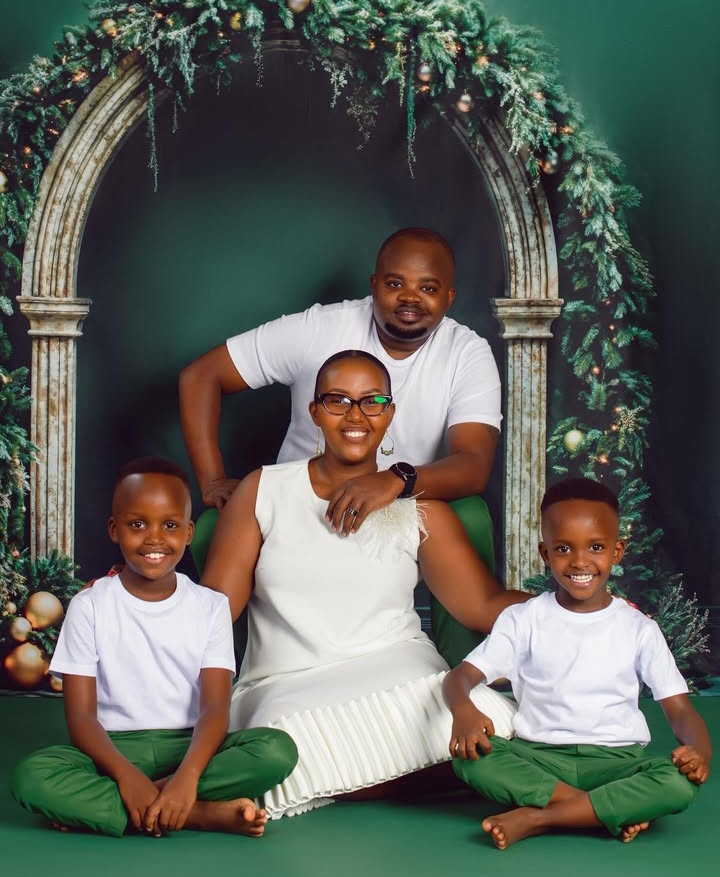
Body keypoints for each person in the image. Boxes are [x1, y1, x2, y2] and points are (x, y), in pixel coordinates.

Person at [201, 350, 529, 819]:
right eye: (338, 400)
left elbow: (482, 603)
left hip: (399, 672)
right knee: (280, 744)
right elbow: (214, 609)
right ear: (314, 412)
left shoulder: (418, 507)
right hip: (288, 684)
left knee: (485, 715)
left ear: (389, 413)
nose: (355, 415)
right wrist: (135, 599)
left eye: (372, 401)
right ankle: (419, 776)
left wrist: (581, 606)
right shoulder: (264, 489)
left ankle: (345, 779)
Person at [180, 227, 503, 663]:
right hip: (300, 505)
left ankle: (467, 665)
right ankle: (231, 665)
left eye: (427, 288)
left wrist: (394, 481)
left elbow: (474, 463)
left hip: (403, 504)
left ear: (449, 296)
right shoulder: (320, 328)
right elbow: (201, 376)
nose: (410, 298)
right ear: (374, 285)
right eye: (395, 284)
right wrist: (212, 479)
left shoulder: (466, 352)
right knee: (215, 529)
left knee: (469, 518)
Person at [10, 457, 298, 838]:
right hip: (112, 752)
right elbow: (81, 719)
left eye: (170, 525)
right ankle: (196, 814)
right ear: (114, 529)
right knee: (31, 777)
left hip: (189, 747)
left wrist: (187, 776)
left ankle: (143, 804)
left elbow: (215, 709)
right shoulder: (89, 606)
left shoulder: (211, 607)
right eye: (137, 524)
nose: (154, 538)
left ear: (189, 532)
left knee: (276, 750)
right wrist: (127, 777)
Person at [442, 477, 712, 850]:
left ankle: (539, 818)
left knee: (677, 782)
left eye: (596, 547)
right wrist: (463, 710)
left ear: (617, 551)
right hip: (539, 758)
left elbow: (679, 709)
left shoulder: (639, 629)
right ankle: (602, 812)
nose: (580, 561)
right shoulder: (523, 619)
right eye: (564, 548)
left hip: (617, 764)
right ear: (545, 553)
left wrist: (701, 751)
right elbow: (459, 678)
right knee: (471, 759)